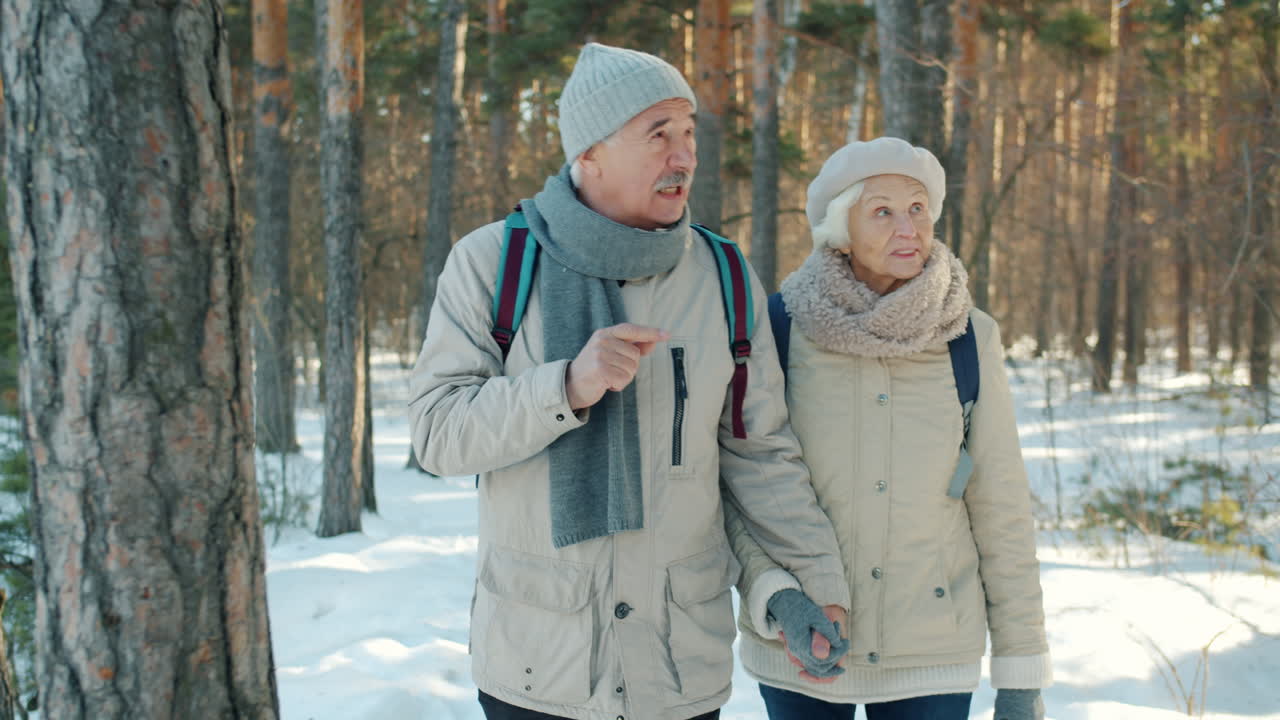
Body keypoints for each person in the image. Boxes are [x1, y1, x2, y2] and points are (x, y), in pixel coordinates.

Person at [408, 42, 851, 720]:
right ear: (590, 153)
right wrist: (565, 388)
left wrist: (815, 586)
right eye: (659, 135)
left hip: (675, 669)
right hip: (537, 666)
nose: (684, 157)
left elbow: (760, 456)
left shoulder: (725, 278)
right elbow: (438, 434)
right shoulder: (492, 262)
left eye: (689, 133)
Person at [724, 137, 1052, 720]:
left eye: (918, 209)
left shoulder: (970, 338)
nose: (909, 228)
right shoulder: (777, 329)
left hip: (933, 654)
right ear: (840, 229)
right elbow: (744, 486)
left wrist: (1021, 672)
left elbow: (1000, 506)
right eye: (883, 211)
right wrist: (778, 597)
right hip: (805, 645)